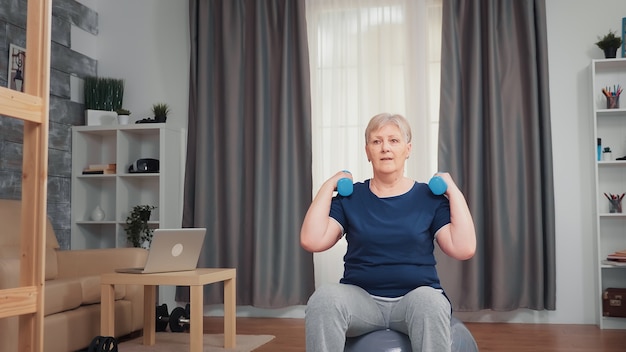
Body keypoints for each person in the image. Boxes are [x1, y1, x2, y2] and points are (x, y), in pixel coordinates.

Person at [300, 113, 476, 352]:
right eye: (377, 141)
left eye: (394, 140)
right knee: (323, 299)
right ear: (367, 151)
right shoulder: (351, 197)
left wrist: (453, 190)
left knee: (430, 302)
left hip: (414, 300)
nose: (385, 148)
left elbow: (463, 248)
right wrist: (328, 186)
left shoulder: (428, 198)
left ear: (408, 148)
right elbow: (312, 240)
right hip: (361, 301)